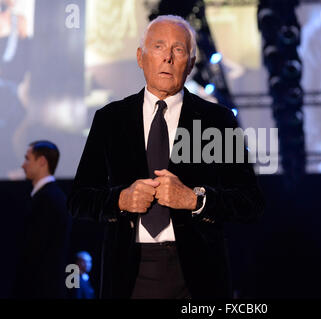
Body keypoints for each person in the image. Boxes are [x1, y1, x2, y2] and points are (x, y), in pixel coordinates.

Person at [68, 15, 264, 299]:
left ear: (192, 64)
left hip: (198, 276)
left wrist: (195, 200)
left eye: (179, 50)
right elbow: (78, 200)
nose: (168, 58)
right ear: (140, 57)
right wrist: (120, 199)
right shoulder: (110, 120)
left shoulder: (217, 121)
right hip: (128, 271)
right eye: (158, 47)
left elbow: (251, 202)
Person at [13, 140, 72, 298]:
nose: (23, 165)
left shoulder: (49, 199)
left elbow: (36, 253)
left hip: (40, 289)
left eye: (27, 159)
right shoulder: (48, 197)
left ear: (42, 161)